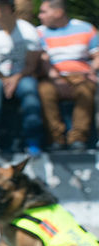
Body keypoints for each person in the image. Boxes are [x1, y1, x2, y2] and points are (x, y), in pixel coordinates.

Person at [0, 0, 44, 156]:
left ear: (6, 8)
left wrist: (15, 78)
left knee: (29, 90)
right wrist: (3, 79)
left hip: (23, 75)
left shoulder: (28, 31)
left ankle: (33, 142)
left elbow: (31, 64)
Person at [36, 0, 99, 151]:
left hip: (81, 76)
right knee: (45, 91)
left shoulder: (85, 28)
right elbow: (42, 58)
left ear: (58, 13)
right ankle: (56, 139)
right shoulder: (39, 32)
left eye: (44, 12)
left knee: (86, 91)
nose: (39, 16)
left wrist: (91, 71)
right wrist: (56, 79)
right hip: (53, 77)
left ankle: (77, 139)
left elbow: (97, 55)